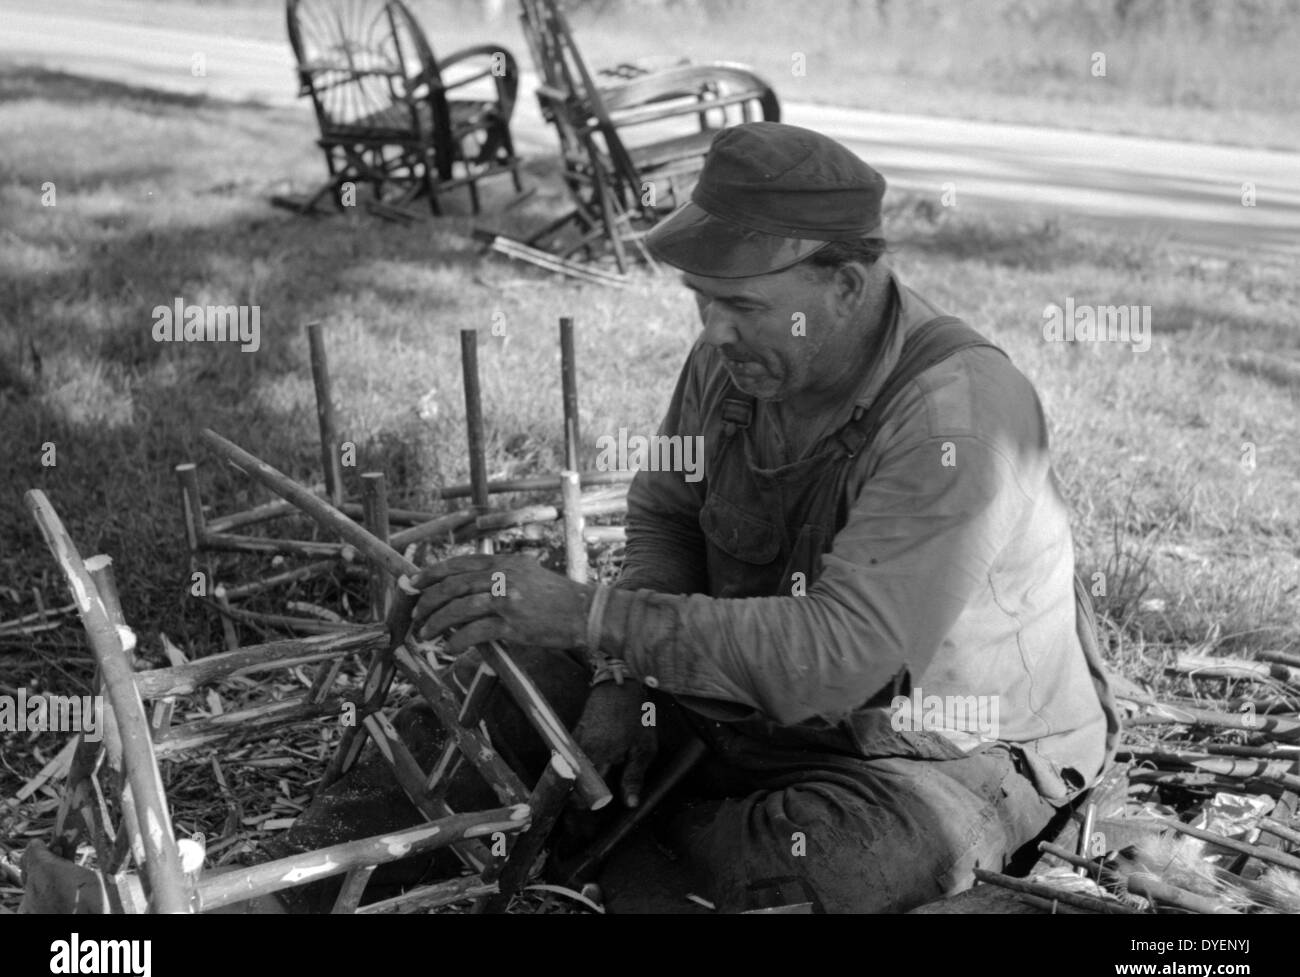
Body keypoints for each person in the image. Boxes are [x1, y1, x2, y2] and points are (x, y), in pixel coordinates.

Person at [278, 122, 1118, 914]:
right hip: (745, 711)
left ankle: (617, 840)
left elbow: (836, 662)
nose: (713, 332)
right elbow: (668, 516)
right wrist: (621, 677)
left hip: (936, 754)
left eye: (741, 305)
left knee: (821, 866)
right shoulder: (739, 357)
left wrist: (596, 617)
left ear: (847, 284)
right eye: (700, 299)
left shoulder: (956, 419)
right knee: (513, 685)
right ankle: (287, 893)